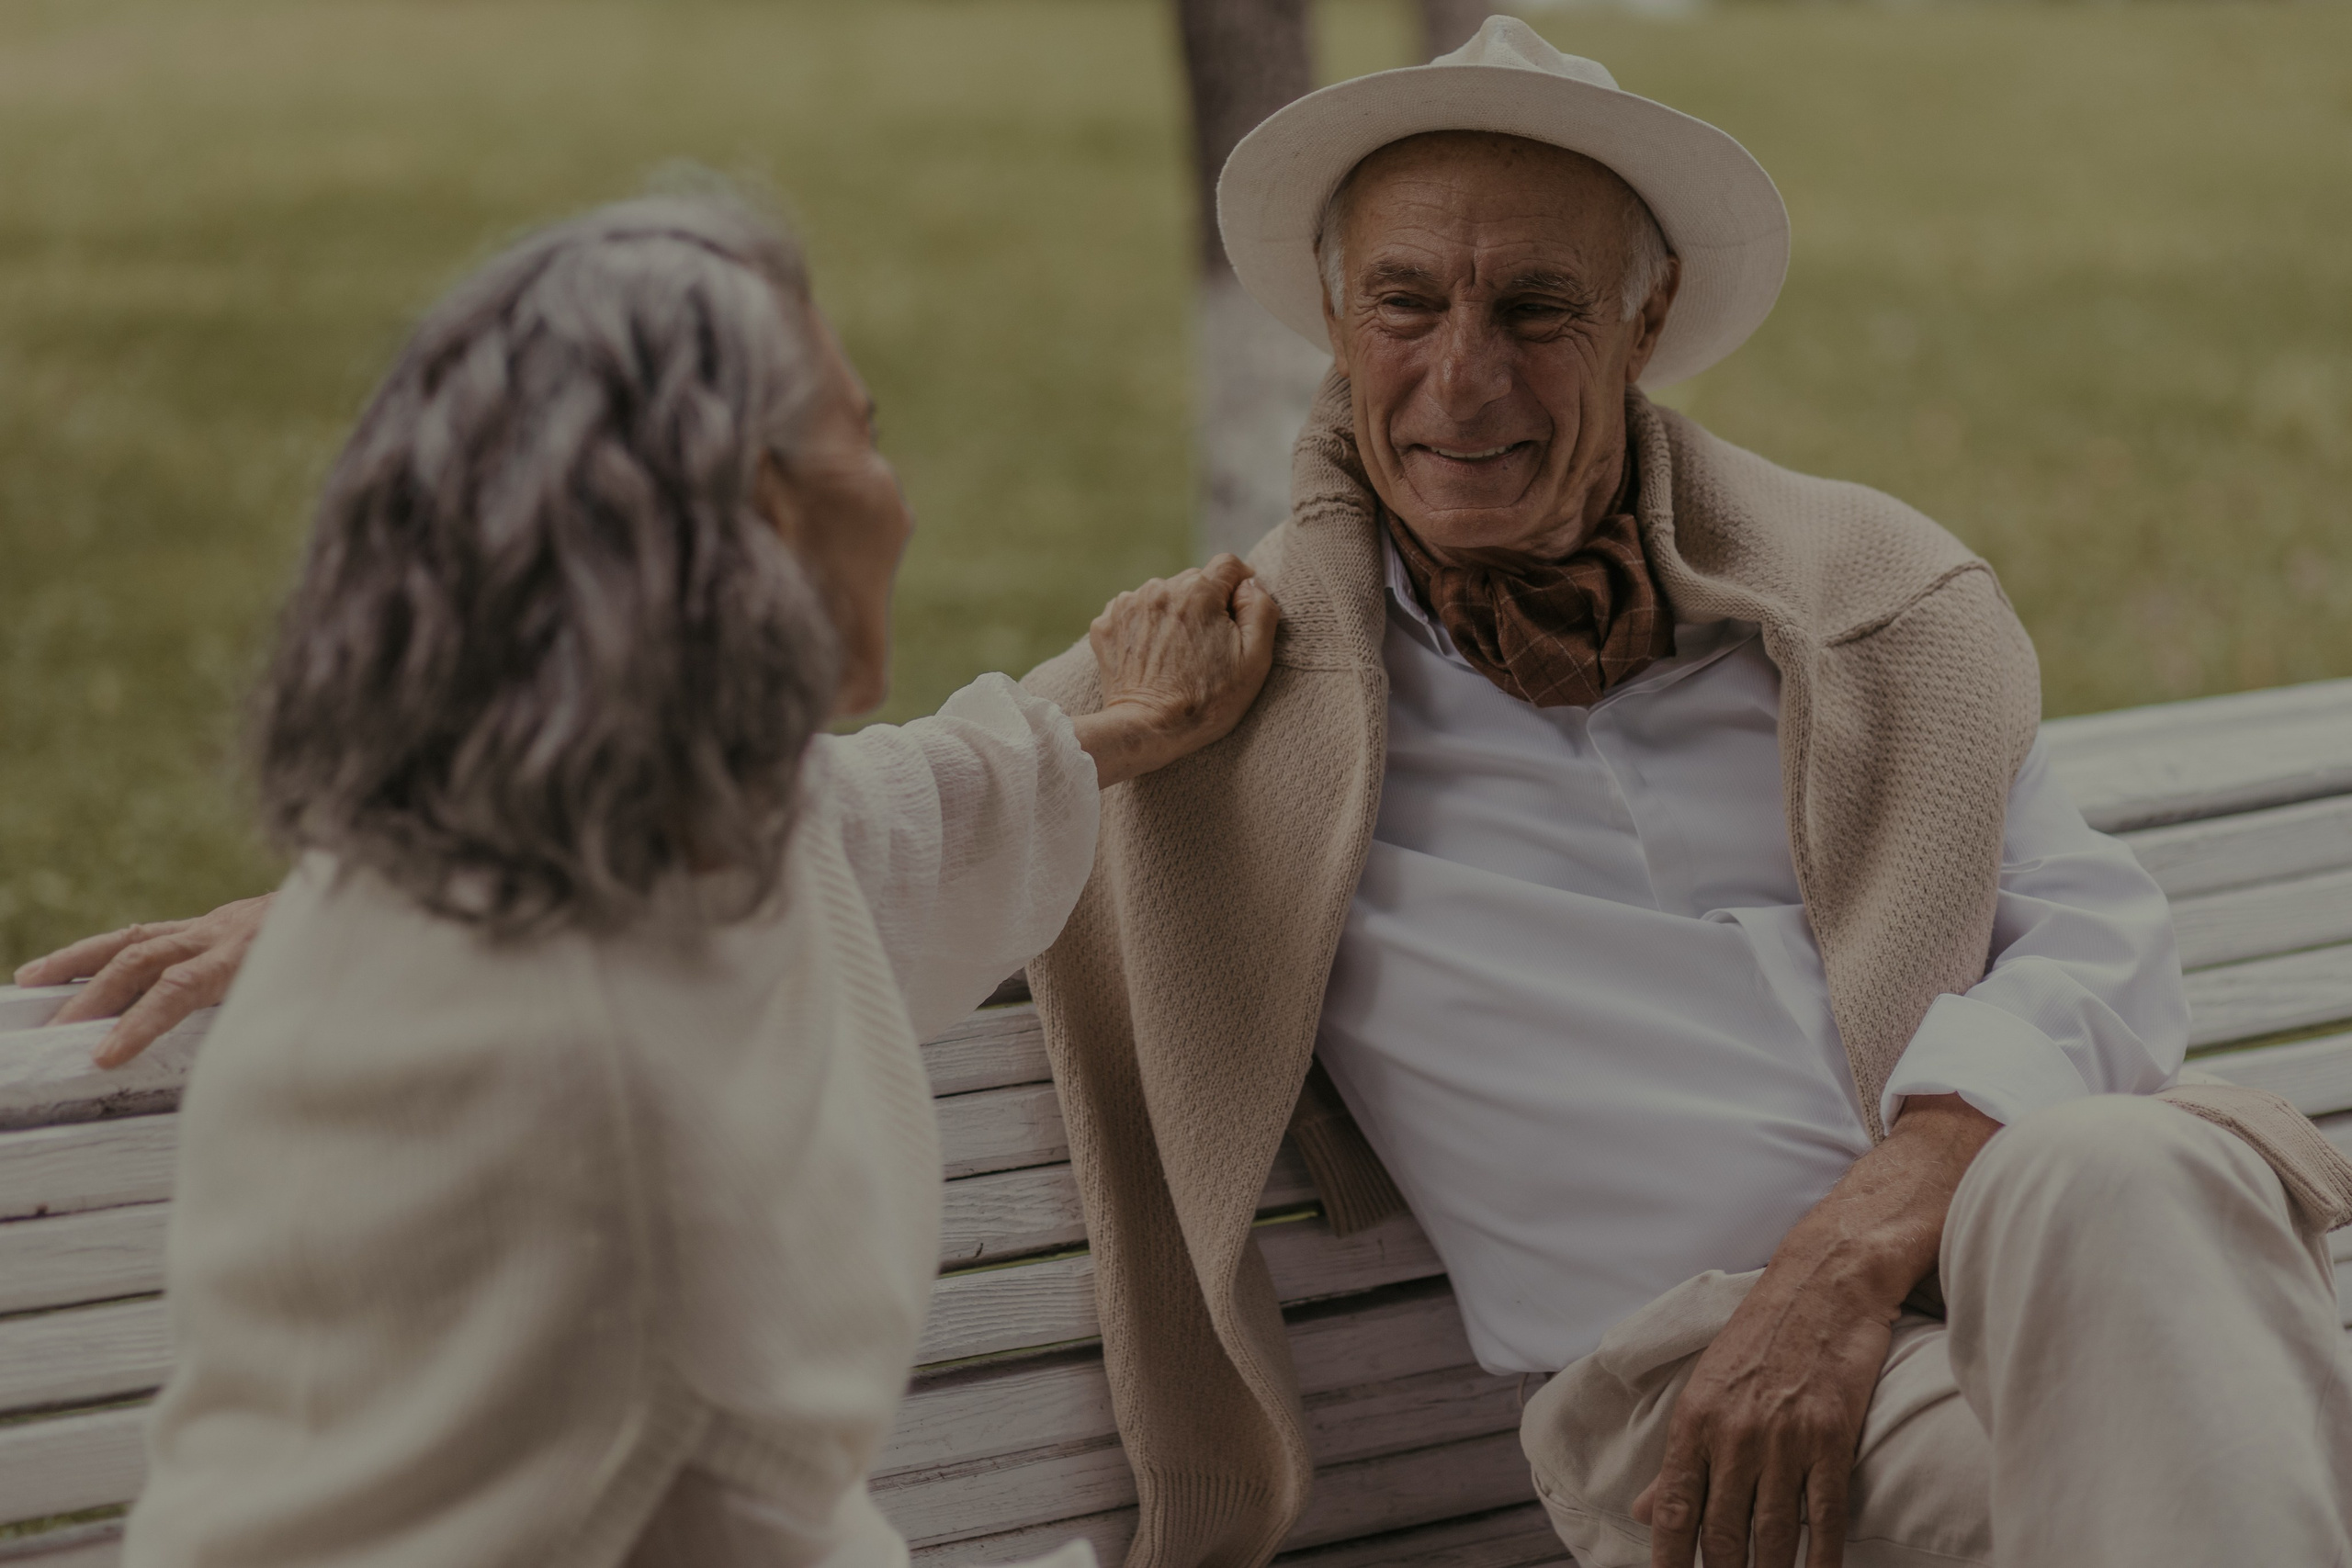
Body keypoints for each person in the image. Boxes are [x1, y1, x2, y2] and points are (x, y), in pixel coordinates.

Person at [28, 22, 2352, 1568]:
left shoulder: (1877, 601)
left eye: (1532, 311)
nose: (1457, 376)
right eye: (1401, 303)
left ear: (1644, 326)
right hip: (1733, 1447)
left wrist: (1863, 1247)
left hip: (2044, 1296)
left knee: (2133, 1168)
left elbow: (2097, 938)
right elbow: (874, 807)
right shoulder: (1241, 671)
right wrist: (401, 893)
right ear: (1330, 325)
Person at [32, 191, 1278, 1568]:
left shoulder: (498, 857)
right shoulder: (640, 1147)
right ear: (763, 521)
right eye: (861, 441)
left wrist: (1133, 731)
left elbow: (859, 812)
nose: (901, 499)